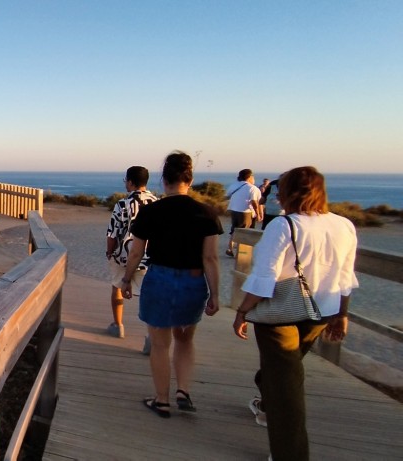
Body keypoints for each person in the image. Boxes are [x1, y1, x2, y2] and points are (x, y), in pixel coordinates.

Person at [232, 166, 358, 461]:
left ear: (288, 193)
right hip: (322, 311)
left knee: (287, 386)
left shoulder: (285, 225)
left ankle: (290, 454)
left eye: (280, 191)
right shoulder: (344, 225)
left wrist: (242, 311)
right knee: (285, 370)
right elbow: (346, 276)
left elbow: (266, 277)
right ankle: (265, 403)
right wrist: (342, 314)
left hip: (280, 315)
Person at [122, 150, 223, 418]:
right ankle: (184, 391)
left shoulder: (152, 211)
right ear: (189, 180)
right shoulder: (207, 213)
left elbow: (136, 252)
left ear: (164, 180)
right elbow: (211, 258)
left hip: (160, 279)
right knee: (185, 339)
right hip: (192, 281)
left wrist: (126, 279)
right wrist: (215, 294)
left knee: (160, 344)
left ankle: (162, 400)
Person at [105, 166, 158, 343]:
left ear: (130, 181)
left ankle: (118, 325)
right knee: (148, 295)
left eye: (125, 180)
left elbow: (112, 232)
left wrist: (109, 251)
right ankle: (151, 336)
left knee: (117, 288)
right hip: (148, 258)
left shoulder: (122, 204)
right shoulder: (157, 203)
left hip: (123, 255)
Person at [226, 169, 263, 257]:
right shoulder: (252, 188)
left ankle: (230, 248)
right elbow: (254, 202)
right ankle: (241, 252)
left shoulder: (234, 185)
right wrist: (258, 214)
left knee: (234, 230)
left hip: (234, 210)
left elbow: (227, 196)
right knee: (244, 232)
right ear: (249, 177)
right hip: (246, 212)